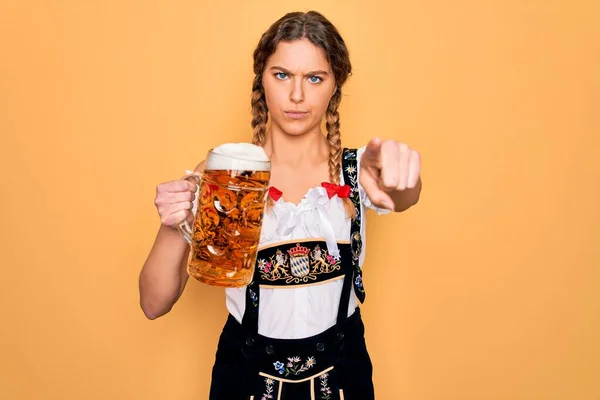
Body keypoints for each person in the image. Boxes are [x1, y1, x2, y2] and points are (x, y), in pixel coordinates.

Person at [139, 10, 422, 399]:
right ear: (262, 80)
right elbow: (153, 303)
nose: (297, 95)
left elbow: (404, 195)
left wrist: (403, 175)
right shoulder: (225, 175)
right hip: (244, 380)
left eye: (315, 78)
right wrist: (175, 222)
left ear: (335, 85)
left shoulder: (359, 172)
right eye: (282, 75)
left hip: (343, 380)